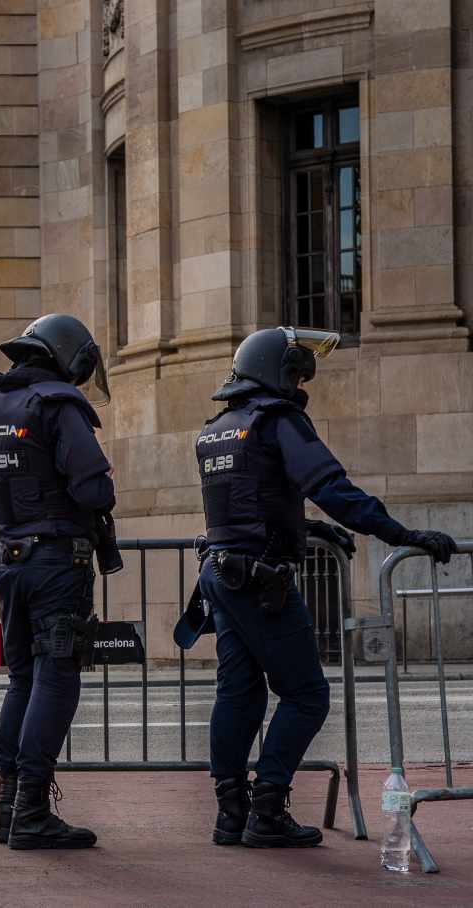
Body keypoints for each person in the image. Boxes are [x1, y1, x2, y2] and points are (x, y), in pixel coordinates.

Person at [186, 327, 457, 848]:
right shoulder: (278, 421)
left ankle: (230, 815)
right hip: (261, 583)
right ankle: (267, 810)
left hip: (222, 575)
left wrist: (304, 529)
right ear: (273, 372)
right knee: (307, 694)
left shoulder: (218, 427)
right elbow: (330, 485)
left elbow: (246, 505)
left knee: (238, 694)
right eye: (295, 372)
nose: (300, 383)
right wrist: (401, 534)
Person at [0, 313, 116, 851]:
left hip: (9, 560)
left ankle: (9, 808)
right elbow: (94, 489)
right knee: (56, 680)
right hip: (55, 563)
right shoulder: (58, 403)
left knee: (23, 682)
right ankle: (30, 811)